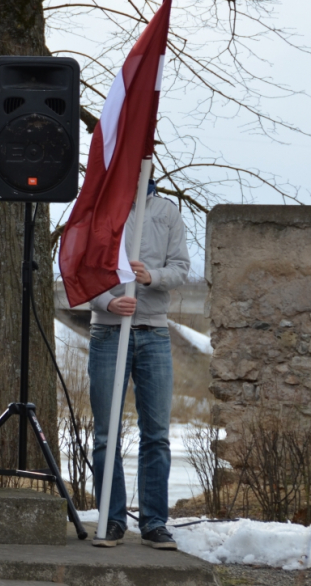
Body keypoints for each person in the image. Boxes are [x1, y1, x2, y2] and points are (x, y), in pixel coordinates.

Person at [87, 181, 189, 550]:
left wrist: (152, 276)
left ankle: (154, 523)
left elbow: (181, 267)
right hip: (108, 335)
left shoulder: (167, 213)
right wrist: (107, 303)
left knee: (157, 434)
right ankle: (111, 520)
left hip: (154, 333)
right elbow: (81, 271)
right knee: (105, 434)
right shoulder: (100, 211)